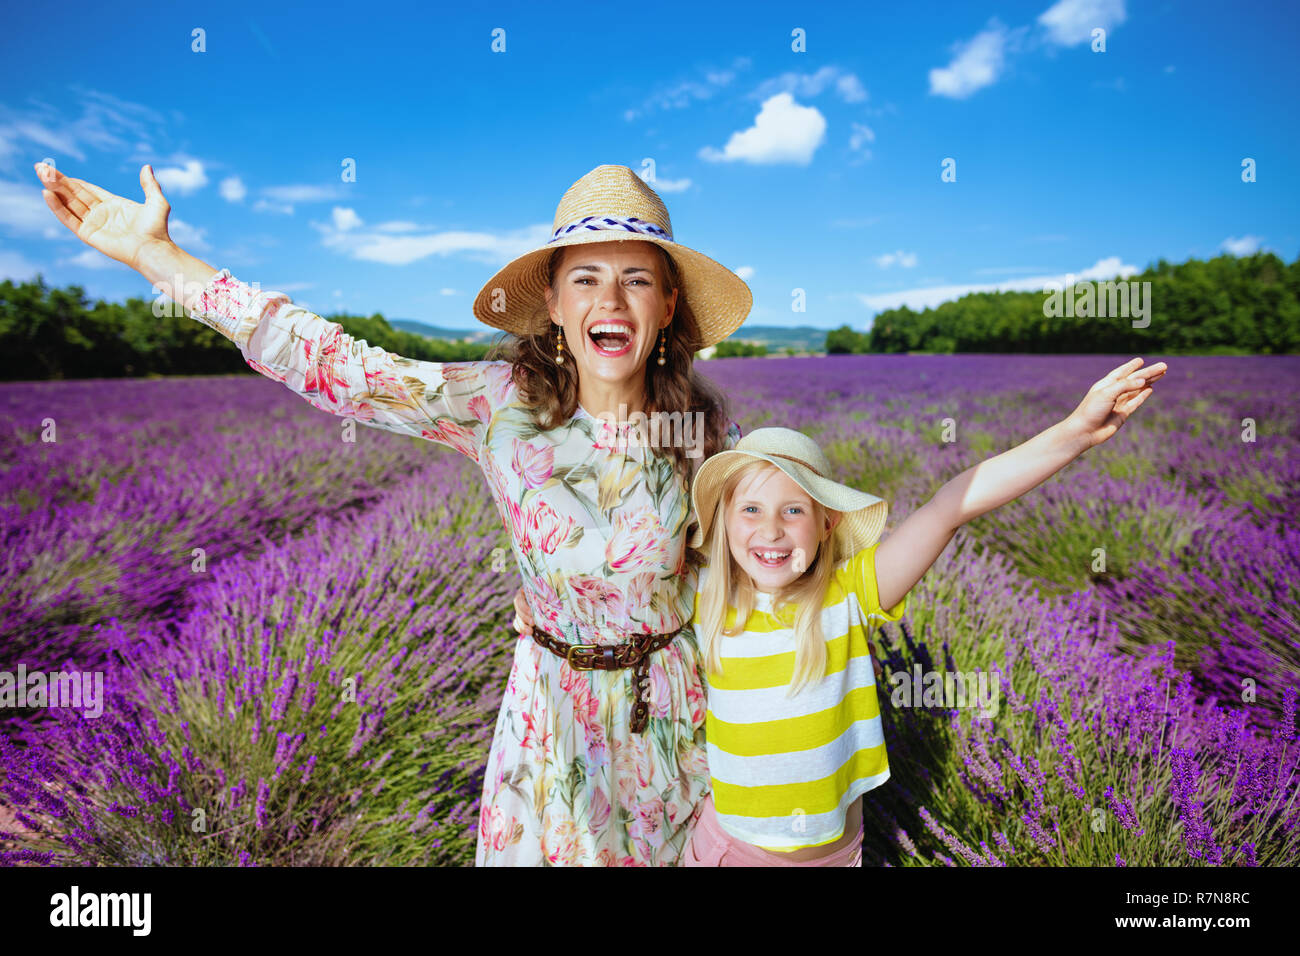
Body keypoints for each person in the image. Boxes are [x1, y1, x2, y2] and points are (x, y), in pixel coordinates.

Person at [33, 159, 755, 866]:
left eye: (637, 280)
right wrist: (157, 256)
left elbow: (791, 578)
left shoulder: (707, 438)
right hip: (550, 726)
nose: (612, 300)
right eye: (586, 279)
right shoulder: (503, 403)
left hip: (671, 727)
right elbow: (335, 365)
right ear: (556, 305)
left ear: (666, 307)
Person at [514, 357, 1168, 866]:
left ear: (826, 525)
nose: (771, 530)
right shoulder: (705, 600)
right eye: (751, 509)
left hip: (836, 851)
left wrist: (1075, 432)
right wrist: (540, 609)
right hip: (732, 849)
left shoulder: (850, 594)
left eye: (793, 510)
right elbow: (610, 598)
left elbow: (954, 503)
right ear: (721, 522)